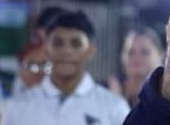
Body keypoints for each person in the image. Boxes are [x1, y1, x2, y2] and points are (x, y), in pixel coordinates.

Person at [1, 10, 130, 125]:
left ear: (90, 51)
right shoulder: (19, 107)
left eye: (76, 44)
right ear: (46, 49)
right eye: (58, 43)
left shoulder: (114, 108)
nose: (66, 51)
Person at [107, 27, 166, 107]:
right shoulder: (106, 90)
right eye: (130, 52)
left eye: (144, 52)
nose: (136, 58)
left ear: (161, 55)